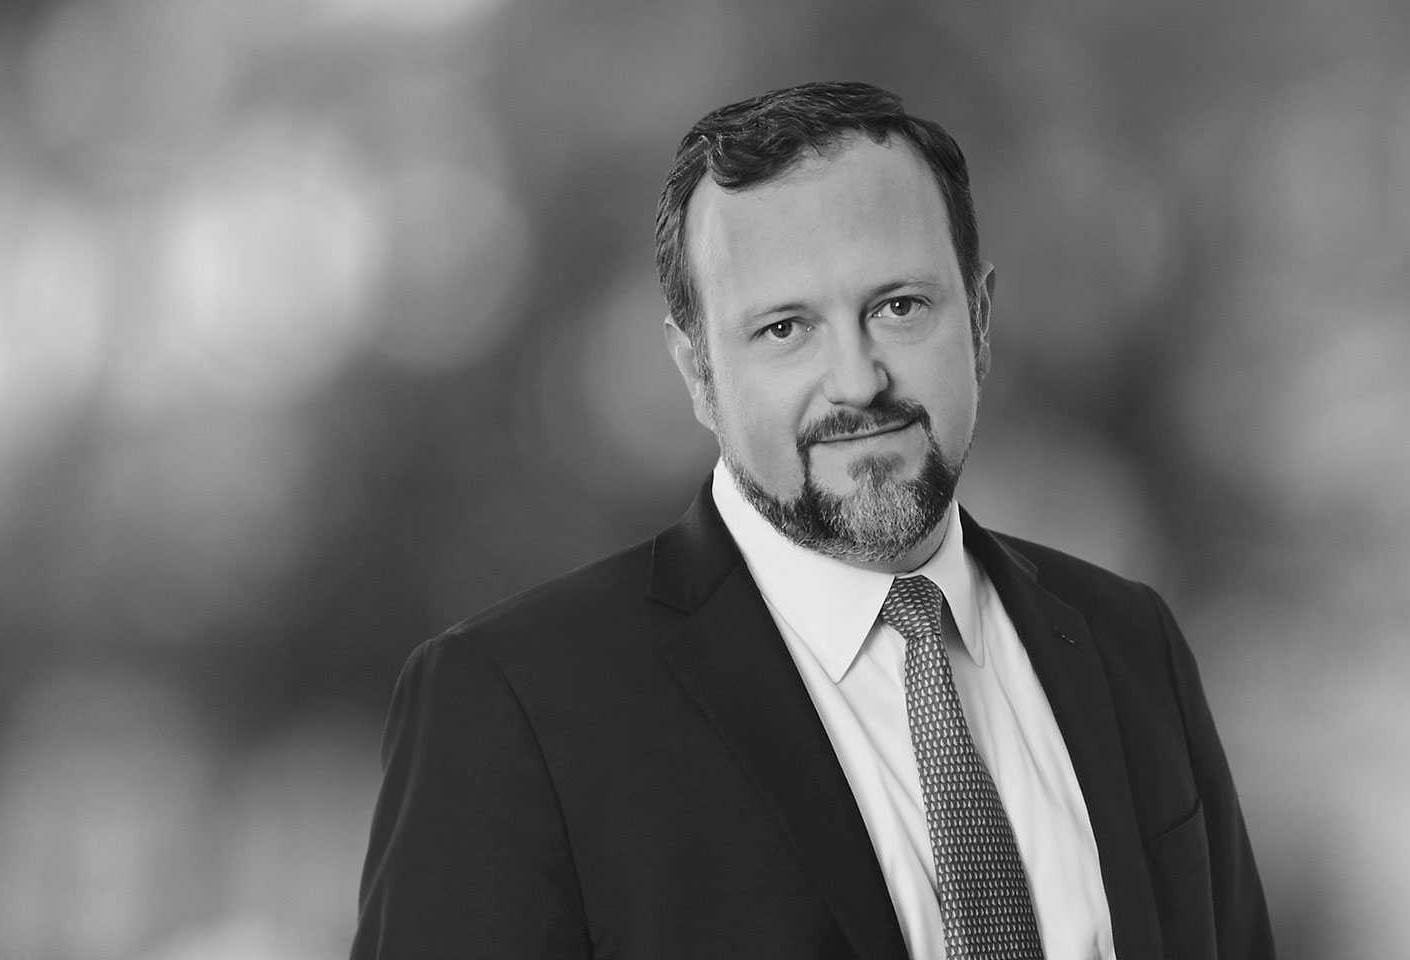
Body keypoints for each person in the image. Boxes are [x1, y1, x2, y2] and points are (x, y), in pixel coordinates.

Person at [350, 81, 1274, 960]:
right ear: (697, 372)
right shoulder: (515, 709)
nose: (858, 381)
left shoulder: (1129, 643)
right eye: (785, 329)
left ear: (981, 320)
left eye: (900, 307)